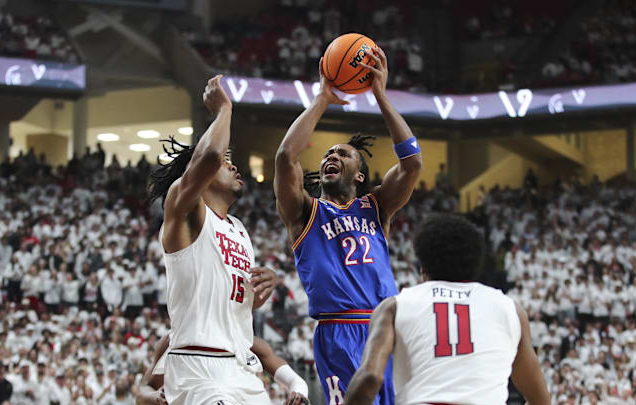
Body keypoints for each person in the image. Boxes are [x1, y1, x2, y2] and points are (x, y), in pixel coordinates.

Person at [274, 48, 422, 405]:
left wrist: (381, 96)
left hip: (385, 327)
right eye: (327, 155)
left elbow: (412, 162)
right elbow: (284, 158)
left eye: (342, 154)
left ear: (359, 175)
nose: (331, 157)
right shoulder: (303, 212)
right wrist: (322, 99)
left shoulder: (376, 206)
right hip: (338, 330)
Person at [147, 75, 278, 405]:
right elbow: (207, 159)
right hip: (199, 364)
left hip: (241, 367)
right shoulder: (184, 208)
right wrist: (224, 110)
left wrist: (261, 288)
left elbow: (229, 303)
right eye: (226, 162)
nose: (233, 168)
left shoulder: (238, 229)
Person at [344, 214, 550, 405]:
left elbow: (370, 378)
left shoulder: (394, 306)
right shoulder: (510, 309)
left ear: (422, 267)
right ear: (476, 263)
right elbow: (540, 399)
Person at [136, 334, 309, 405]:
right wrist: (154, 397)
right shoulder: (173, 340)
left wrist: (298, 395)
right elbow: (141, 393)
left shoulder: (249, 343)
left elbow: (296, 382)